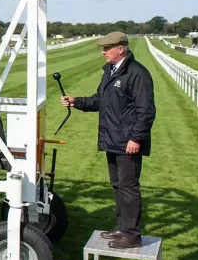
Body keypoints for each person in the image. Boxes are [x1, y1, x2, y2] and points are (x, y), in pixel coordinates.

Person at [61, 31, 155, 249]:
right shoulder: (110, 72)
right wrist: (77, 102)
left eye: (107, 48)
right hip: (112, 140)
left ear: (120, 49)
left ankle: (132, 235)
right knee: (118, 185)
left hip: (128, 143)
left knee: (129, 187)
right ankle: (122, 228)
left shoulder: (137, 73)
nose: (103, 52)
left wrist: (136, 138)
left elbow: (147, 111)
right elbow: (99, 101)